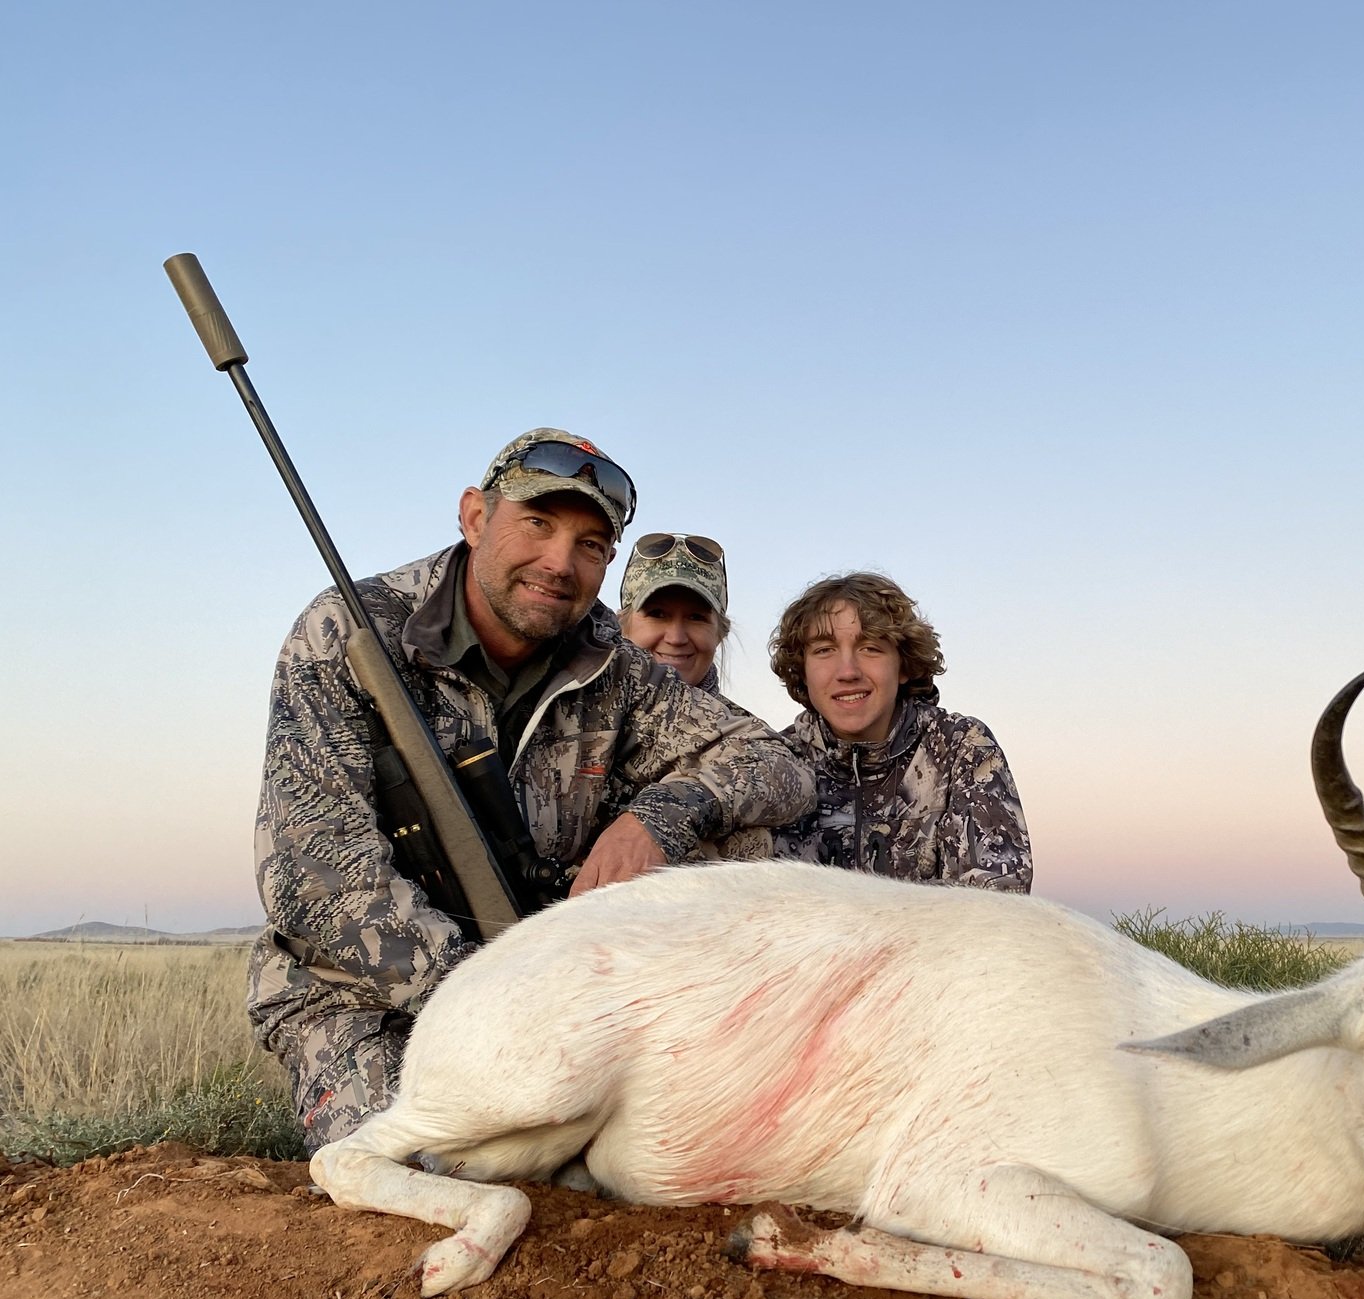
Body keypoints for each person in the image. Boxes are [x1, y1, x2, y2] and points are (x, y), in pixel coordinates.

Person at [248, 427, 814, 1152]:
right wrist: (497, 1006)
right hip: (369, 996)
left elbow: (775, 762)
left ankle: (707, 1070)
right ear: (476, 517)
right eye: (538, 524)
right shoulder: (343, 634)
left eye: (589, 544)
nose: (559, 563)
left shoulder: (615, 659)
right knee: (430, 1163)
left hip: (541, 974)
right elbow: (314, 876)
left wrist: (660, 817)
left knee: (740, 837)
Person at [768, 571, 1032, 891]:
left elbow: (996, 903)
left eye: (870, 648)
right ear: (803, 670)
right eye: (824, 650)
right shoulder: (775, 763)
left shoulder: (960, 747)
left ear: (904, 665)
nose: (847, 671)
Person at [617, 531, 730, 693]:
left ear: (720, 634)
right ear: (621, 625)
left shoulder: (737, 719)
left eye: (696, 617)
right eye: (657, 614)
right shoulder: (576, 709)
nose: (676, 638)